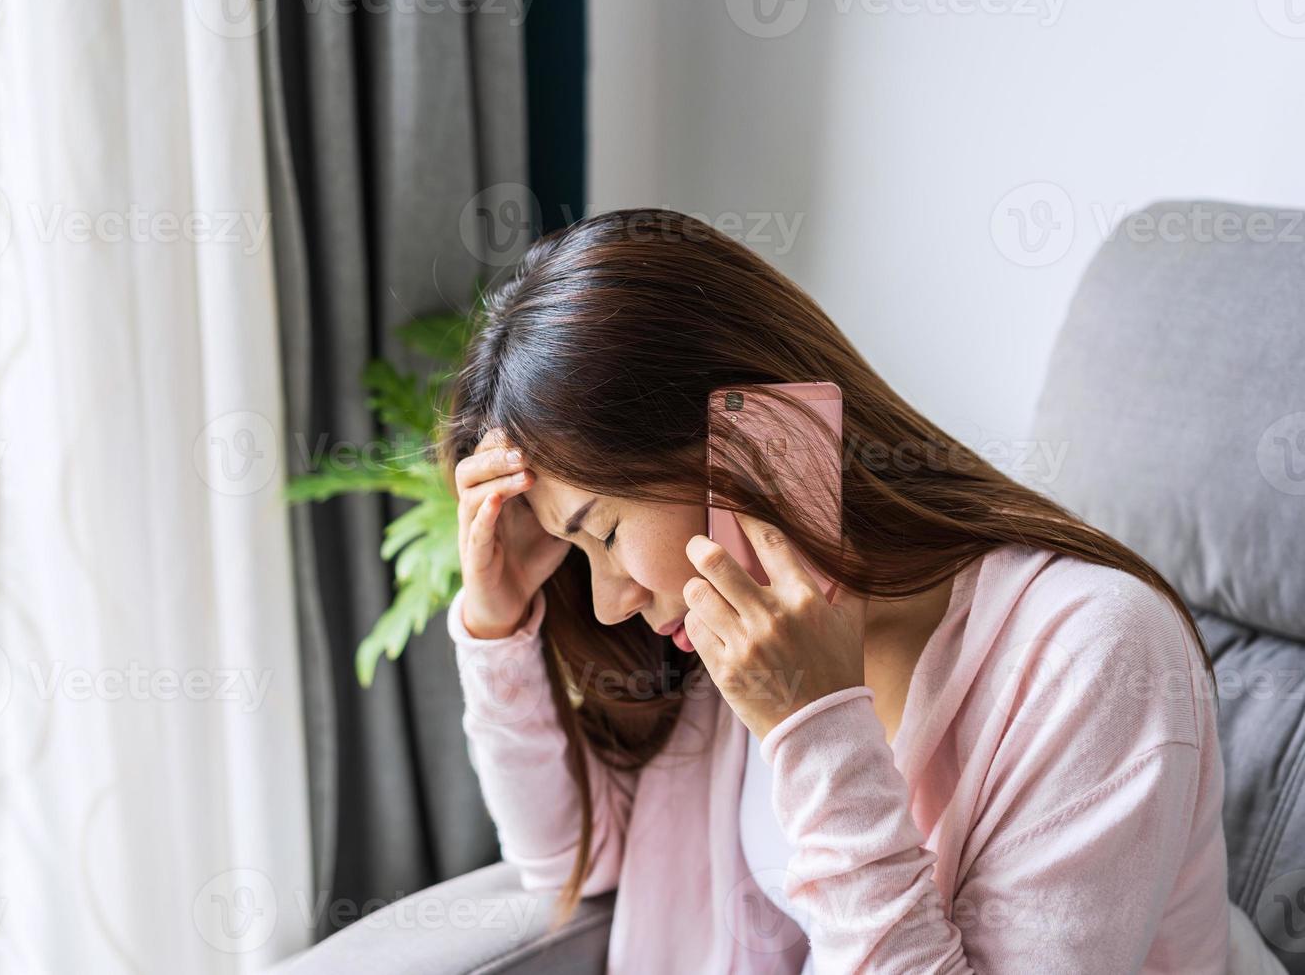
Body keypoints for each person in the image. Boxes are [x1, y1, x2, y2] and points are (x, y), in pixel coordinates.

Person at [438, 208, 1226, 973]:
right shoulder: (730, 638)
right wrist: (497, 625)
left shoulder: (1097, 656)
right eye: (575, 553)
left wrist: (815, 727)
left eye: (604, 533)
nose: (610, 602)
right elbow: (574, 856)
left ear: (751, 437)